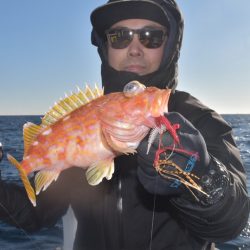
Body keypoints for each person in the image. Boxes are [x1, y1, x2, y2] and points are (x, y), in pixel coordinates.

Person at [0, 1, 249, 250]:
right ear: (105, 46)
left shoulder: (199, 118)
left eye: (151, 37)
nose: (135, 49)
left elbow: (232, 223)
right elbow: (34, 214)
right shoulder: (81, 127)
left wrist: (201, 175)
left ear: (171, 45)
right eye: (120, 37)